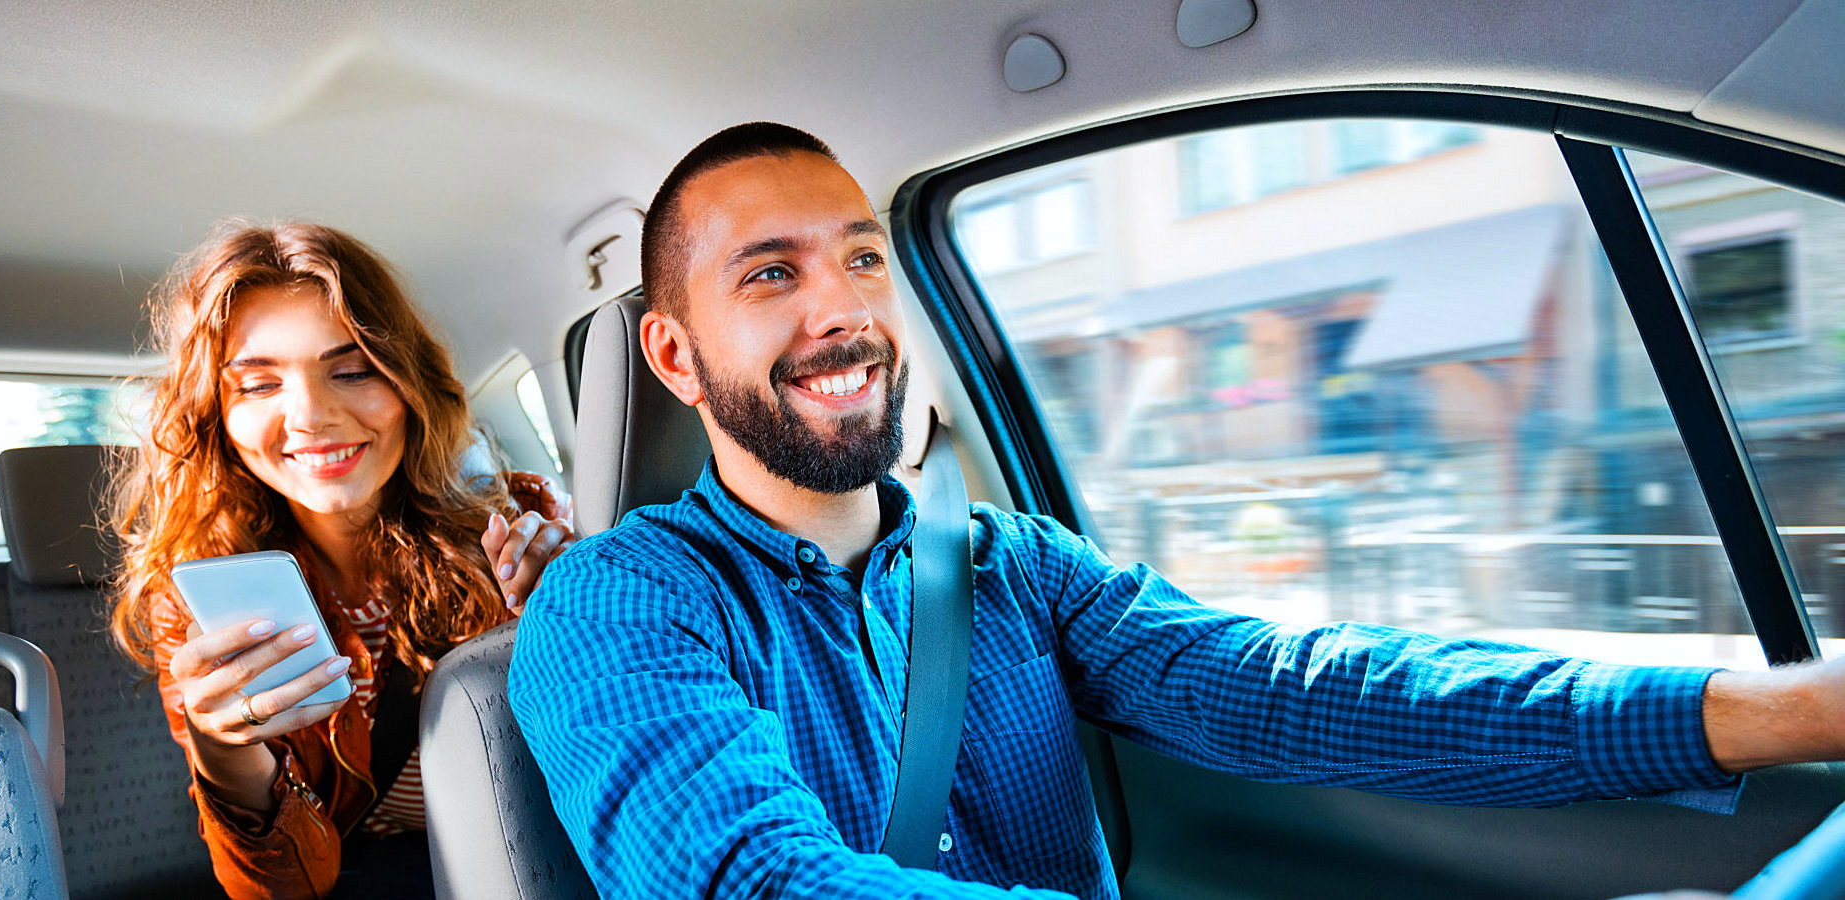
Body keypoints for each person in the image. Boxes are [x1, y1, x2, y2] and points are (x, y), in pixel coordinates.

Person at [507, 123, 1845, 899]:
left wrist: (1788, 709)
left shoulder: (1010, 567)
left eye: (862, 253)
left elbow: (1302, 691)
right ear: (675, 358)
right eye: (769, 274)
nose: (843, 304)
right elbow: (758, 882)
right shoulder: (620, 601)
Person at [111, 220, 573, 900]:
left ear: (408, 383)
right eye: (257, 385)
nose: (310, 416)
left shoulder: (522, 527)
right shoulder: (196, 605)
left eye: (351, 369)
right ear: (217, 416)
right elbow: (282, 891)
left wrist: (567, 620)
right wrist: (224, 749)